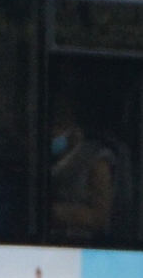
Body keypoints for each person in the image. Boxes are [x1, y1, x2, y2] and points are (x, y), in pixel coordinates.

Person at [49, 99, 119, 240]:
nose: (53, 132)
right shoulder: (45, 157)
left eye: (60, 126)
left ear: (73, 129)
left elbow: (100, 217)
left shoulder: (96, 159)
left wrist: (54, 212)